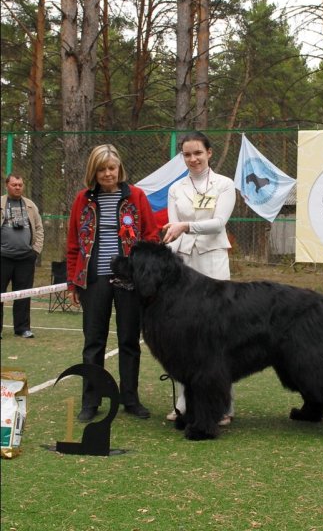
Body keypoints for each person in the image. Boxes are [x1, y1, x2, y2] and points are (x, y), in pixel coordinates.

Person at [67, 144, 159, 423]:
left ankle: (130, 398)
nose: (107, 173)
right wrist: (73, 282)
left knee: (129, 340)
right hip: (93, 278)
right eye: (101, 169)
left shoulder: (137, 196)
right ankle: (91, 400)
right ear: (93, 171)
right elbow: (73, 244)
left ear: (119, 169)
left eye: (111, 168)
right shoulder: (83, 199)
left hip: (130, 279)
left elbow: (152, 235)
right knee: (93, 342)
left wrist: (142, 270)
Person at [162, 131, 236, 426]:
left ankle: (224, 405)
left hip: (213, 261)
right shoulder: (176, 188)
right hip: (184, 263)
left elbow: (219, 223)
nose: (193, 159)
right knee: (184, 336)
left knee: (217, 336)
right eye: (187, 154)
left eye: (198, 153)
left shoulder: (225, 185)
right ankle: (184, 402)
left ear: (209, 153)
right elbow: (171, 229)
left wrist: (185, 226)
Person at [1, 174, 44, 339]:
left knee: (23, 295)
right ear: (7, 185)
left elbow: (39, 228)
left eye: (20, 184)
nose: (17, 187)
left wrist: (35, 251)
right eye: (14, 184)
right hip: (3, 257)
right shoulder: (1, 203)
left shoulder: (30, 205)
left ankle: (22, 328)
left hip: (25, 258)